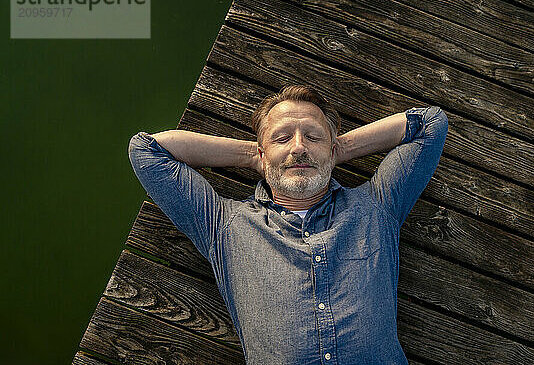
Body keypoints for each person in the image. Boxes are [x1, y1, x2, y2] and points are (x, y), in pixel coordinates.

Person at [128, 84, 448, 365]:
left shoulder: (378, 203)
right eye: (282, 138)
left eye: (313, 137)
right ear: (263, 154)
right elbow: (146, 150)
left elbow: (430, 124)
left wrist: (342, 148)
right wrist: (253, 155)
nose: (298, 147)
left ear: (333, 149)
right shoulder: (225, 225)